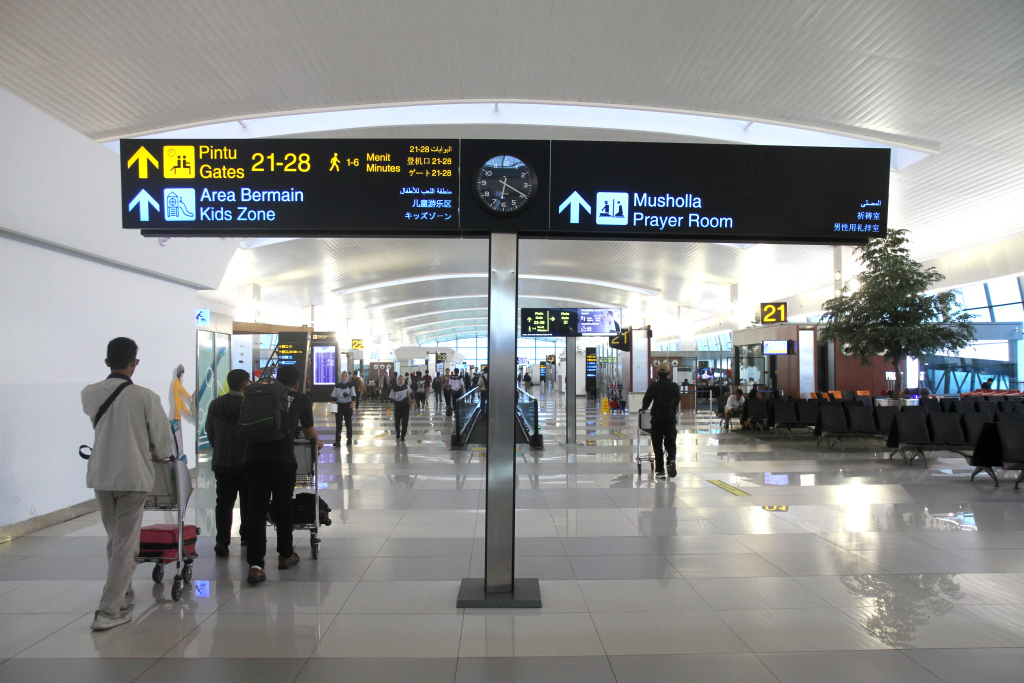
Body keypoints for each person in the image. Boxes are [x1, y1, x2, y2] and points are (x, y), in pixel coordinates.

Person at [82, 337, 174, 631]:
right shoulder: (146, 397)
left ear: (107, 361)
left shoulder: (90, 393)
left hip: (102, 475)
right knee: (125, 544)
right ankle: (108, 611)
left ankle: (123, 594)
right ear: (134, 363)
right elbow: (162, 443)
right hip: (133, 477)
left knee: (115, 539)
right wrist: (161, 454)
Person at [243, 364, 322, 585]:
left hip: (253, 458)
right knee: (283, 505)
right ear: (297, 383)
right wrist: (318, 442)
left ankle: (255, 566)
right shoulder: (300, 398)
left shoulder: (258, 394)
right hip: (282, 460)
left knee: (256, 510)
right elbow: (309, 432)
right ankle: (285, 555)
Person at [206, 368, 250, 557]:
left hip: (222, 461)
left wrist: (219, 448)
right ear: (245, 384)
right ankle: (247, 536)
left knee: (223, 502)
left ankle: (222, 540)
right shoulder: (248, 404)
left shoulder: (216, 404)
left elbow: (210, 431)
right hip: (247, 461)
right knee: (248, 501)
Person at [641, 362, 681, 480]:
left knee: (657, 445)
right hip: (670, 419)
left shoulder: (654, 386)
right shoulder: (674, 386)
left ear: (658, 374)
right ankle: (671, 460)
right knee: (670, 442)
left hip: (657, 419)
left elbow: (646, 399)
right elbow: (677, 399)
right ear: (669, 373)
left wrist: (644, 408)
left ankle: (660, 471)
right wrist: (672, 409)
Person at [331, 370, 356, 446]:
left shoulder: (350, 386)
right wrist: (333, 408)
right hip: (339, 406)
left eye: (345, 376)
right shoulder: (337, 386)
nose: (344, 377)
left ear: (347, 377)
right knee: (338, 424)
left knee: (348, 423)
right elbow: (334, 398)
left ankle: (349, 439)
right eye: (342, 376)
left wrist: (352, 403)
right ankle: (338, 441)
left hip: (347, 406)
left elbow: (353, 396)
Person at [390, 373, 413, 441]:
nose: (400, 380)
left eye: (402, 379)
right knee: (397, 421)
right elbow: (391, 398)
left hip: (405, 406)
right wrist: (389, 405)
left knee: (405, 421)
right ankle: (397, 433)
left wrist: (414, 402)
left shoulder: (406, 387)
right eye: (399, 379)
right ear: (397, 380)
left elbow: (411, 395)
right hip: (397, 407)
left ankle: (403, 435)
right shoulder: (394, 388)